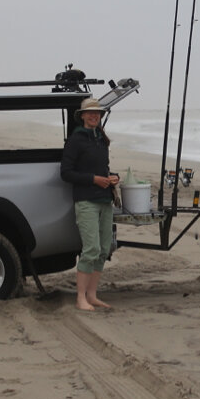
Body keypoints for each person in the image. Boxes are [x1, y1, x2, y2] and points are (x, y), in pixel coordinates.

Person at [59, 98, 121, 311]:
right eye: (91, 113)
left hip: (105, 199)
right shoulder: (76, 139)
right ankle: (80, 298)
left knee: (104, 249)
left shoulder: (101, 139)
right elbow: (66, 173)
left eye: (98, 113)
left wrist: (112, 177)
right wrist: (94, 179)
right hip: (86, 200)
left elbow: (103, 168)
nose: (95, 116)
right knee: (91, 248)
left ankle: (92, 295)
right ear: (83, 116)